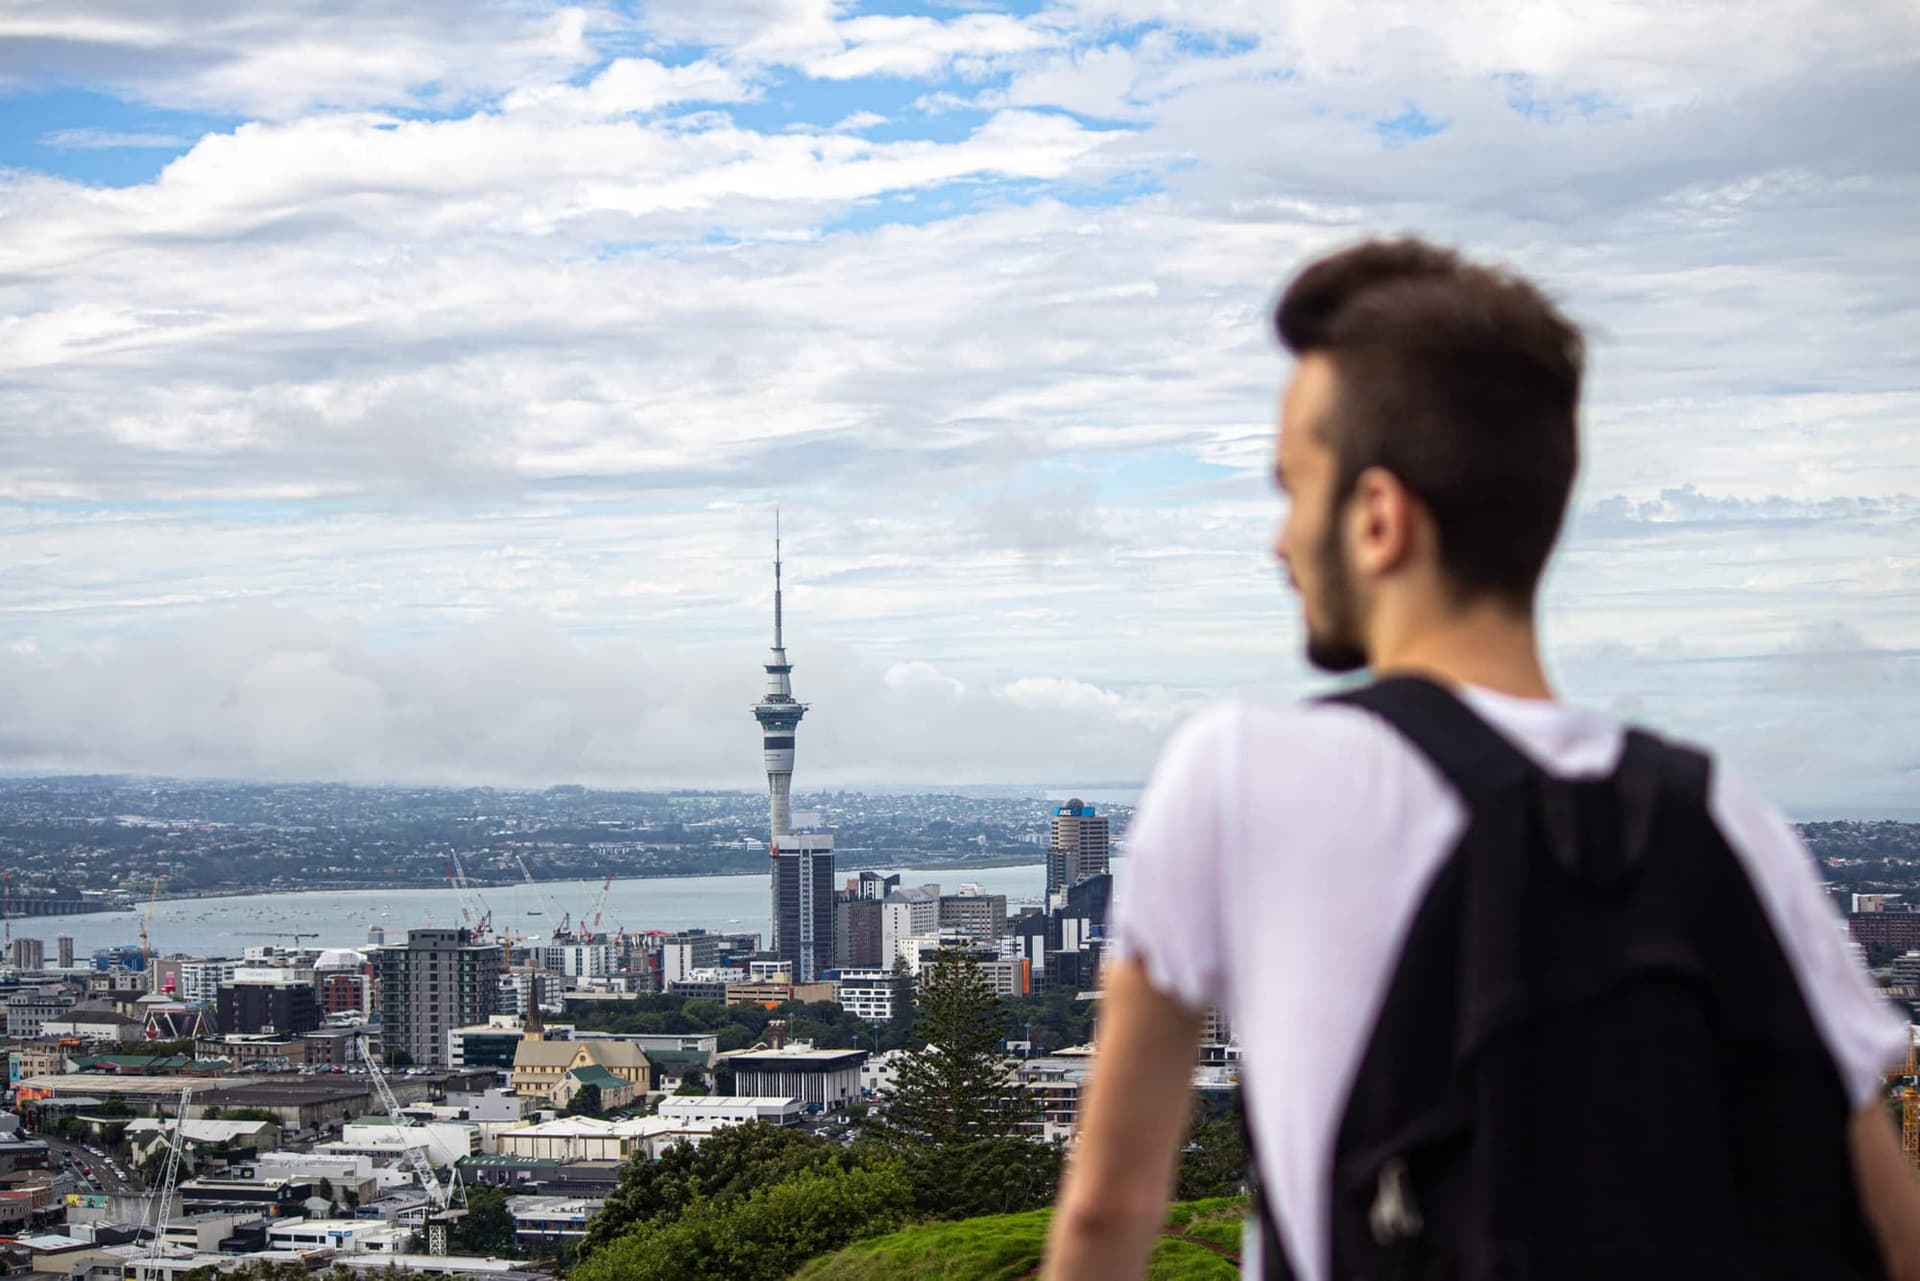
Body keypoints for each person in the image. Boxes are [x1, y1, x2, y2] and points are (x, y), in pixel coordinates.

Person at [1042, 238, 1920, 1280]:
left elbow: (1107, 1212)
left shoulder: (1237, 772)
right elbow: (1887, 1230)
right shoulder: (1725, 815)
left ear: (1377, 520)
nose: (1278, 543)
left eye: (1293, 490)